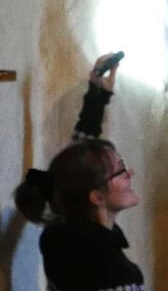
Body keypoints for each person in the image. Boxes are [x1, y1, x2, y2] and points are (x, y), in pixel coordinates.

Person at [13, 54, 144, 291]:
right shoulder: (107, 270)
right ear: (96, 197)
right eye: (120, 171)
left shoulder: (68, 233)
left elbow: (76, 168)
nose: (130, 173)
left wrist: (97, 95)